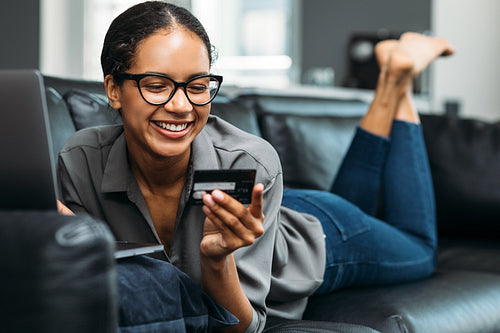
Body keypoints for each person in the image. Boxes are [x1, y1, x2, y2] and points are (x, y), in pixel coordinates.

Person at [56, 1, 454, 332]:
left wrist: (217, 259)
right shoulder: (80, 161)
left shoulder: (247, 160)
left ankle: (398, 79)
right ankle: (392, 79)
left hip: (324, 237)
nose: (180, 106)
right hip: (282, 204)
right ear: (113, 89)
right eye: (157, 85)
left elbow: (241, 326)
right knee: (355, 199)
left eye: (197, 86)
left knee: (420, 249)